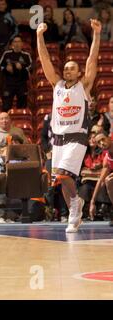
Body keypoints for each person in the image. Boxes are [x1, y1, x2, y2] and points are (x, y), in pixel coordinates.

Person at [37, 19, 101, 233]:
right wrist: (39, 36)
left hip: (77, 136)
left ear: (78, 72)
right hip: (59, 139)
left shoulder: (84, 86)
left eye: (72, 69)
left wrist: (97, 34)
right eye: (65, 68)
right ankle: (75, 207)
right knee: (62, 178)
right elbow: (45, 60)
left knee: (64, 174)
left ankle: (75, 206)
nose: (67, 71)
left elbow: (92, 60)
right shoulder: (57, 85)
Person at [0, 36, 32, 111]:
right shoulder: (6, 54)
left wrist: (22, 68)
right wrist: (6, 68)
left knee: (22, 106)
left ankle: (21, 121)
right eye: (15, 42)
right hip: (9, 83)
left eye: (19, 41)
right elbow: (0, 66)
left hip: (21, 83)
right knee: (6, 106)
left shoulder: (26, 55)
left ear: (22, 44)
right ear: (12, 44)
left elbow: (31, 68)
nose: (17, 43)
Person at [89, 133, 113, 226]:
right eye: (98, 142)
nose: (102, 143)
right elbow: (100, 180)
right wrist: (92, 201)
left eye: (103, 139)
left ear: (109, 138)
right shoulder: (107, 157)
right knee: (108, 181)